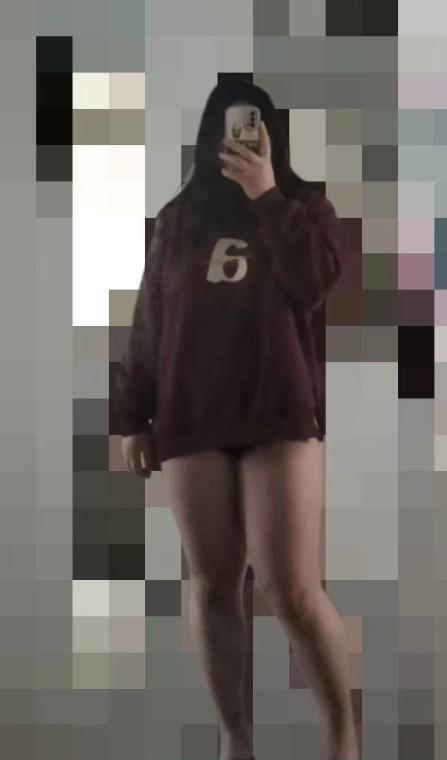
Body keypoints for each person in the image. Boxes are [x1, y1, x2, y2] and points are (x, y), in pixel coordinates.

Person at [115, 78, 358, 760]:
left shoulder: (305, 205)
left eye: (254, 126)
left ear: (272, 134)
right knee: (213, 583)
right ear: (210, 137)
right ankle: (235, 738)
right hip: (192, 411)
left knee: (290, 588)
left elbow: (315, 283)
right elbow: (151, 318)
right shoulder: (178, 219)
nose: (243, 137)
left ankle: (342, 735)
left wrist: (267, 195)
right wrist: (132, 414)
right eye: (231, 127)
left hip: (277, 409)